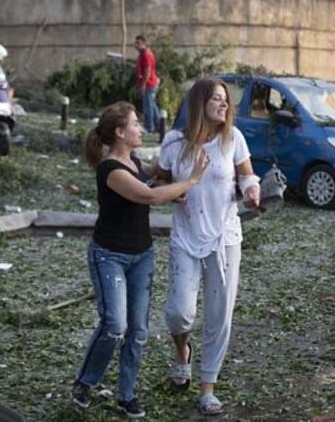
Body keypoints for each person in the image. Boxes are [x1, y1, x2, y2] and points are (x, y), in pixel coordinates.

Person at [72, 102, 209, 418]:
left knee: (138, 330)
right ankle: (85, 382)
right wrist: (190, 181)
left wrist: (173, 162)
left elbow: (154, 175)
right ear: (120, 133)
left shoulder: (132, 161)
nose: (141, 128)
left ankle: (127, 395)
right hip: (109, 256)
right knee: (115, 326)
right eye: (135, 124)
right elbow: (147, 196)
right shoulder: (110, 170)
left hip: (142, 255)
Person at [158, 78, 261, 416]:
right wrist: (174, 189)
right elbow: (160, 180)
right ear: (199, 103)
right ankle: (182, 352)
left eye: (225, 100)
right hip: (186, 237)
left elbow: (246, 175)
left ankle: (207, 387)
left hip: (224, 238)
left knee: (220, 316)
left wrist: (252, 189)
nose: (224, 105)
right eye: (216, 99)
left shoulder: (233, 139)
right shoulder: (174, 143)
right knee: (179, 312)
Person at [134, 35, 160, 133]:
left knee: (148, 106)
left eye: (138, 43)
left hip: (149, 84)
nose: (136, 45)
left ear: (144, 44)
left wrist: (143, 85)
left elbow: (148, 71)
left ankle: (149, 127)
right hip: (149, 83)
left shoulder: (146, 54)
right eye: (135, 43)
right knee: (152, 105)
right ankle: (158, 126)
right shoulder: (142, 54)